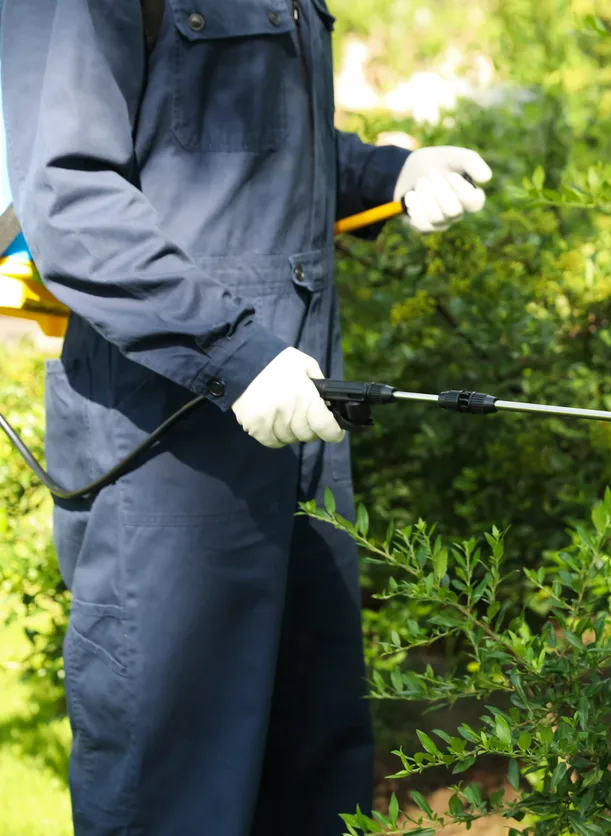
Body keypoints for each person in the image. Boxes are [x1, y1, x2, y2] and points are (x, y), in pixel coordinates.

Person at [0, 2, 492, 834]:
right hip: (167, 451)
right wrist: (231, 350)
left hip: (298, 423)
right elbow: (68, 196)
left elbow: (253, 154)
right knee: (177, 797)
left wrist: (389, 173)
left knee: (313, 780)